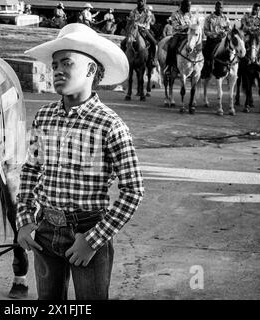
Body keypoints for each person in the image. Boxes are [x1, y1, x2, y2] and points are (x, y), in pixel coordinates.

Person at [17, 23, 144, 300]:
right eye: (54, 65)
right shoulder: (44, 116)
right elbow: (30, 170)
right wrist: (25, 220)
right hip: (46, 230)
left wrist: (93, 240)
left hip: (88, 231)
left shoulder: (110, 125)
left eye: (67, 63)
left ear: (90, 70)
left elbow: (133, 190)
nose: (58, 70)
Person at [164, 0, 194, 76]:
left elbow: (193, 25)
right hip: (178, 34)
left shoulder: (190, 14)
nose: (189, 8)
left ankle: (196, 65)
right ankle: (169, 65)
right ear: (182, 6)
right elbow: (175, 27)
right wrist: (187, 27)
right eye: (187, 6)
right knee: (172, 46)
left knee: (196, 45)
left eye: (190, 6)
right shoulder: (175, 14)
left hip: (188, 35)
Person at [202, 1, 230, 78]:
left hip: (222, 40)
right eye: (217, 7)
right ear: (215, 7)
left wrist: (224, 34)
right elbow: (205, 30)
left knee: (231, 52)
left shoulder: (225, 18)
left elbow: (228, 29)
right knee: (207, 54)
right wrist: (214, 35)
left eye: (220, 7)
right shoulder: (209, 18)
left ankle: (229, 69)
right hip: (212, 40)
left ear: (223, 8)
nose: (219, 9)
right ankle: (206, 71)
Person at [128, 0, 158, 66]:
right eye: (138, 1)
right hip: (134, 29)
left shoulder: (148, 12)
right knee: (123, 43)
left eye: (141, 1)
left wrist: (138, 25)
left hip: (144, 30)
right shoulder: (132, 12)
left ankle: (152, 59)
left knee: (154, 42)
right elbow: (130, 21)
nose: (140, 2)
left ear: (144, 2)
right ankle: (125, 58)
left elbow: (147, 23)